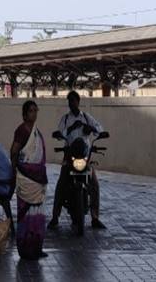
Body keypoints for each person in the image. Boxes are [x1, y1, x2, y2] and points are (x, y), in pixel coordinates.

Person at [50, 90, 106, 230]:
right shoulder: (65, 119)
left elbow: (99, 129)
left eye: (74, 101)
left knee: (94, 184)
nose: (72, 104)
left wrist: (91, 128)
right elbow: (59, 134)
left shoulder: (86, 117)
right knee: (61, 182)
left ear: (78, 102)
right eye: (69, 102)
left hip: (85, 156)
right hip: (69, 156)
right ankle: (55, 217)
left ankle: (95, 218)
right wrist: (70, 129)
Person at [10, 100, 48, 259]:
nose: (34, 113)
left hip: (37, 180)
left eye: (35, 110)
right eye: (31, 111)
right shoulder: (22, 130)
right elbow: (14, 151)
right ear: (25, 114)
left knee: (37, 215)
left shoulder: (35, 131)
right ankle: (26, 250)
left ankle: (36, 248)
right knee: (26, 216)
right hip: (26, 179)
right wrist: (13, 170)